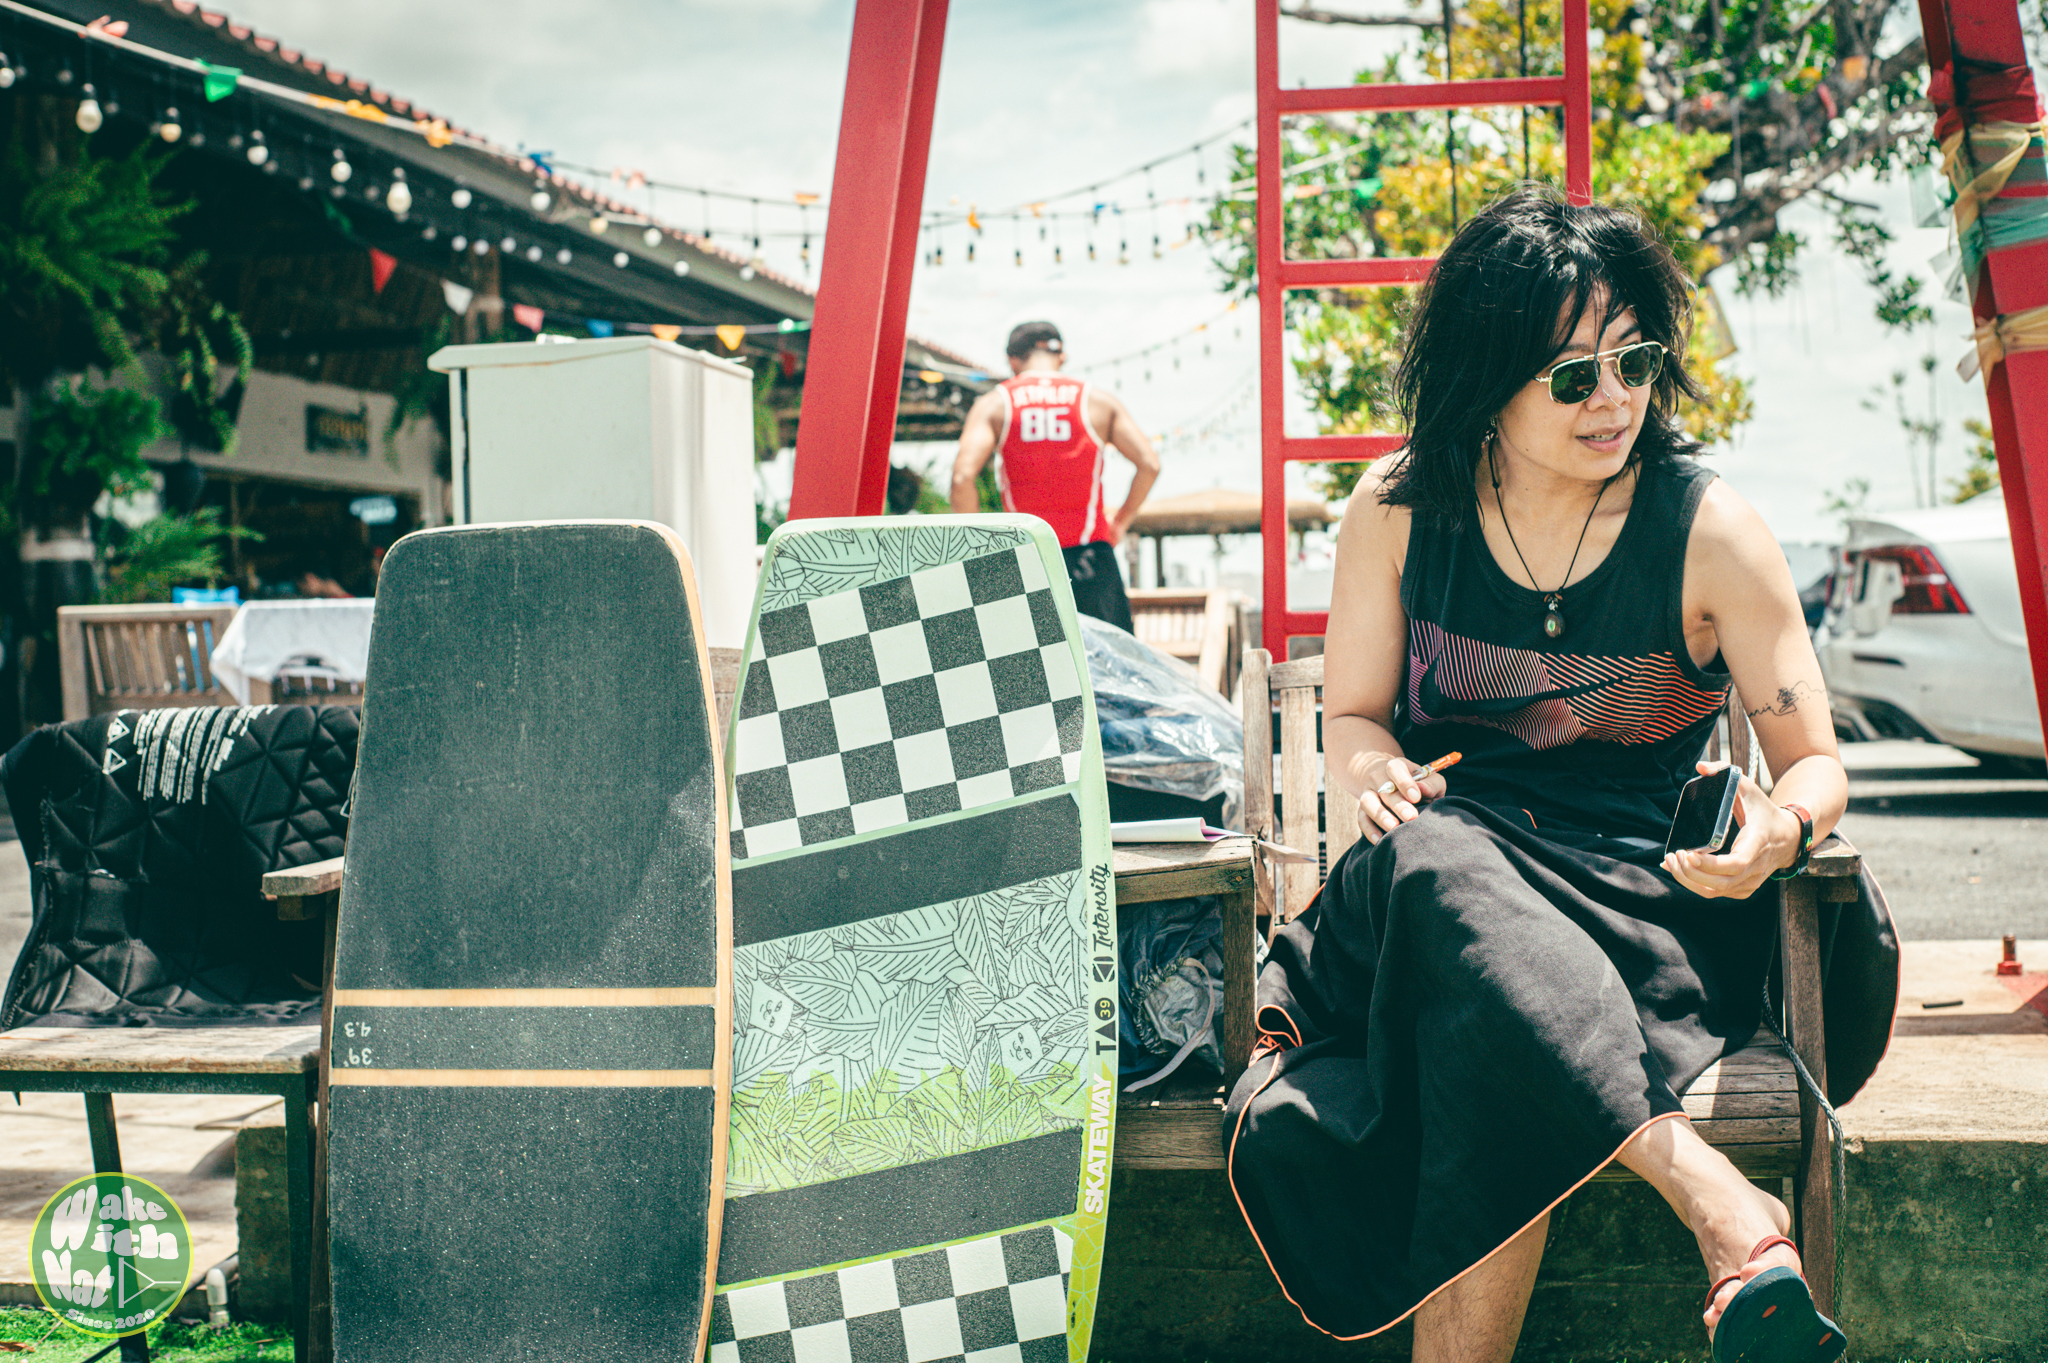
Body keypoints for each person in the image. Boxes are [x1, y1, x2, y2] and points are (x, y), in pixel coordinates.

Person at [1225, 187, 1856, 1363]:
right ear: (1486, 378)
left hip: (1638, 903)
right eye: (1571, 375)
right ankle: (1722, 1208)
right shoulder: (1401, 508)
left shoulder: (1710, 532)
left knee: (1473, 1013)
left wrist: (1775, 832)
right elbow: (1357, 716)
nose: (1613, 399)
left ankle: (1725, 1220)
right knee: (1436, 854)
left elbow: (1811, 762)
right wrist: (1371, 774)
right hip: (1439, 878)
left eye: (1636, 361)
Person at [950, 321, 1160, 632]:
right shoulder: (1097, 401)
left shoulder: (996, 403)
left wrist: (975, 547)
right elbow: (1149, 464)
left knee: (1027, 672)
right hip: (1091, 556)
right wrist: (1121, 522)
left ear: (1013, 360)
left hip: (1026, 555)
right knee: (1108, 672)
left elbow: (962, 477)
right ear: (1061, 355)